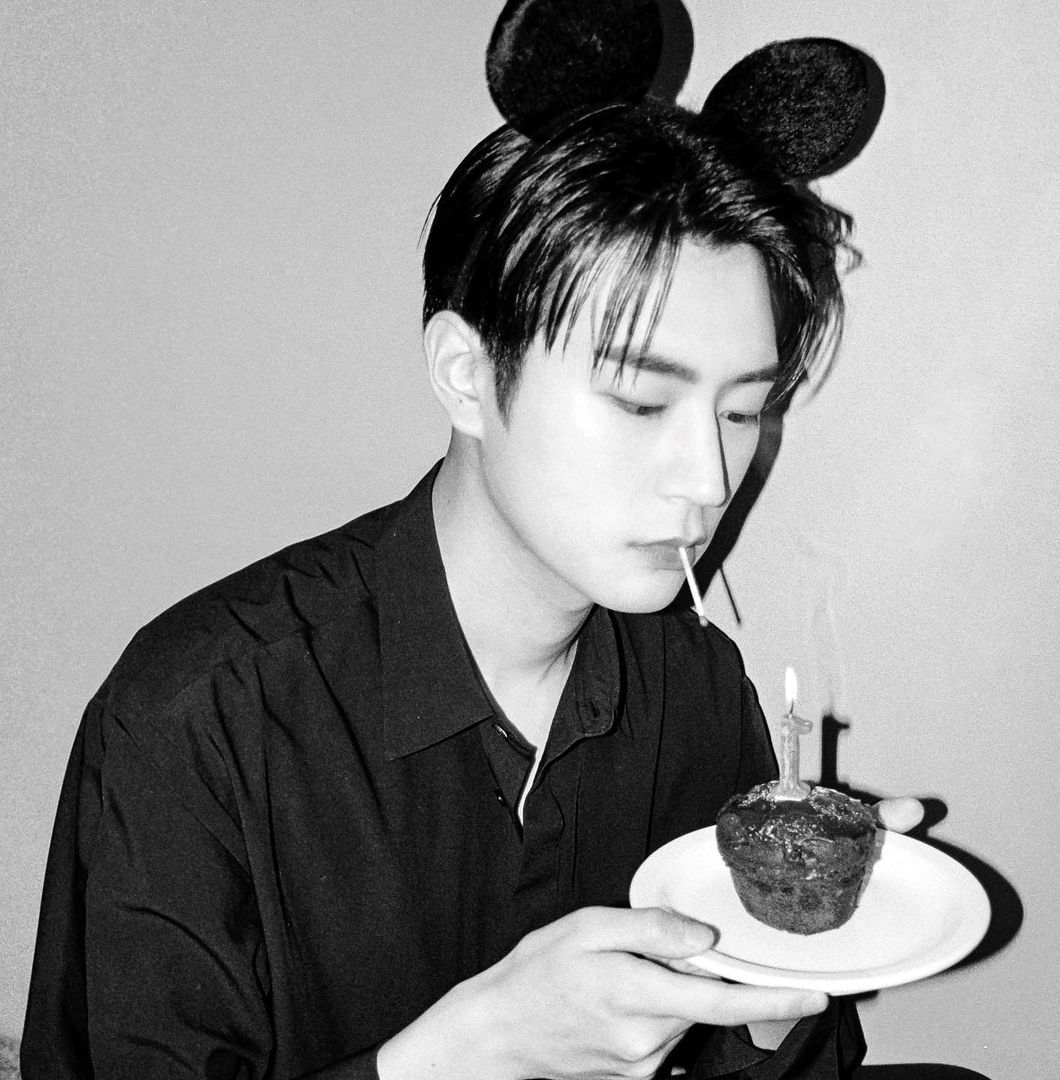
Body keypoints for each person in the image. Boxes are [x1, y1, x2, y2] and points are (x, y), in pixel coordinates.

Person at [21, 10, 988, 1080]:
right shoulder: (198, 716)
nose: (709, 479)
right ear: (466, 375)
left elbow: (775, 1062)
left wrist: (781, 969)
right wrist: (467, 1052)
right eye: (640, 401)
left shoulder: (695, 685)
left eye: (742, 410)